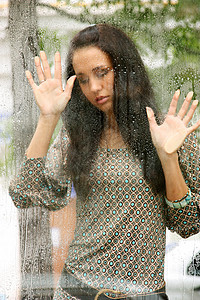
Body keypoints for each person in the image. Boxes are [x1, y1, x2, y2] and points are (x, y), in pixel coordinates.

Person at [9, 24, 200, 300]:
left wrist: (168, 157)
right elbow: (24, 191)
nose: (94, 87)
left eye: (102, 73)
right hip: (77, 290)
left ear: (125, 69)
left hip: (144, 294)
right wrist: (48, 118)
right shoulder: (78, 135)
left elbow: (189, 224)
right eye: (83, 79)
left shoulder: (169, 129)